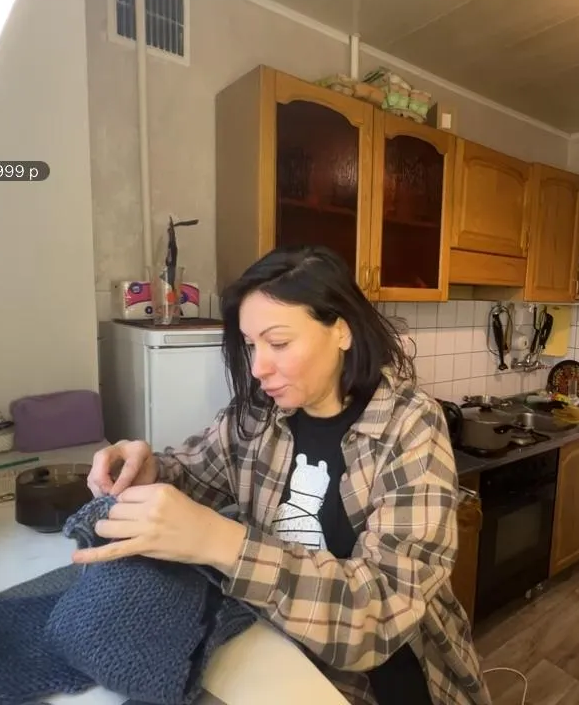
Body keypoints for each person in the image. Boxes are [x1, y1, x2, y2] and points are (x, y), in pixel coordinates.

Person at [83, 245, 491, 705]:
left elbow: (380, 616)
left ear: (341, 330)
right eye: (251, 345)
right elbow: (192, 472)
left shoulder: (411, 425)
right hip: (277, 655)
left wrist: (222, 542)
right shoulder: (257, 414)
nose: (258, 368)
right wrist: (148, 469)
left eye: (278, 343)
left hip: (386, 679)